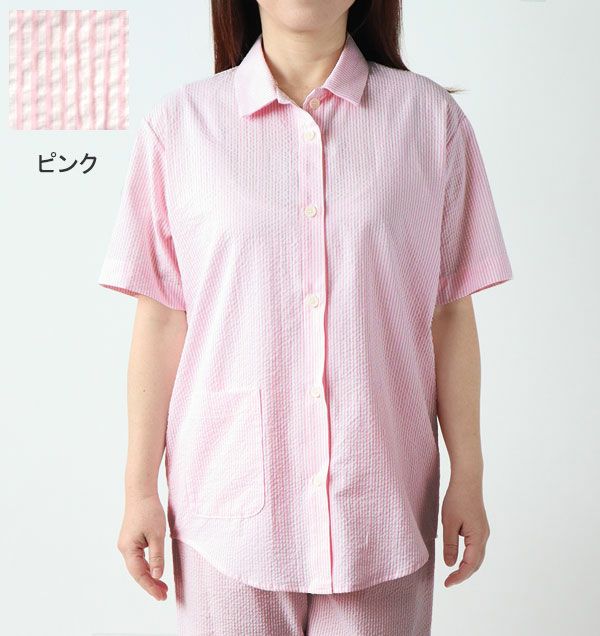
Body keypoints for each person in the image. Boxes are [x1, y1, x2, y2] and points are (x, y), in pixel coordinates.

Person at [97, 1, 513, 634]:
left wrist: (469, 477)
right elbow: (160, 320)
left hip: (380, 503)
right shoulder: (181, 126)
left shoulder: (429, 122)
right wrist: (138, 491)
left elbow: (450, 313)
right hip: (226, 508)